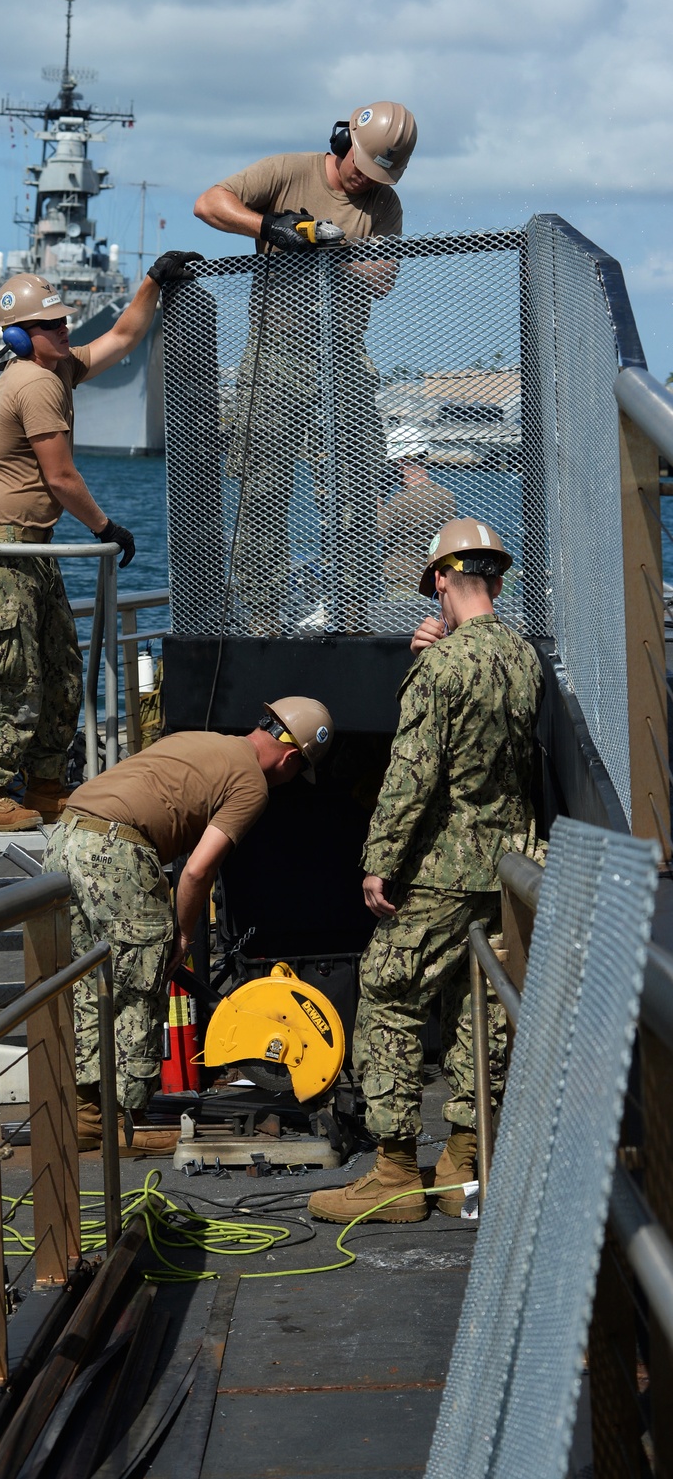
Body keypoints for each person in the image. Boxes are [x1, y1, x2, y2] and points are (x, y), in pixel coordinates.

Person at [308, 519, 543, 1225]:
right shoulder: (524, 656)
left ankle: (392, 1171)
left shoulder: (438, 668)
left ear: (441, 579)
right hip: (508, 862)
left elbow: (412, 777)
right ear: (495, 580)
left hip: (445, 863)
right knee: (479, 1002)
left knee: (388, 990)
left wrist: (379, 862)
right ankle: (465, 1157)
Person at [0, 254, 200, 832]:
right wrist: (106, 529)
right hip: (5, 553)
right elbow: (61, 476)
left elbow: (121, 336)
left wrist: (153, 281)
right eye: (54, 325)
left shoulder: (57, 369)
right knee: (10, 674)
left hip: (33, 550)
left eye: (66, 322)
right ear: (22, 335)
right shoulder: (34, 383)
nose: (68, 330)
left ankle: (45, 785)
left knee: (62, 669)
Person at [41, 696, 335, 1153]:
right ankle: (126, 1125)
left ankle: (87, 1115)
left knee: (92, 982)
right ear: (292, 757)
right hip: (114, 853)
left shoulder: (201, 741)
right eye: (297, 771)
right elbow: (198, 870)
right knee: (142, 985)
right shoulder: (251, 784)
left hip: (64, 836)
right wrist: (181, 934)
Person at [193, 104, 417, 633]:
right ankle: (264, 626)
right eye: (361, 165)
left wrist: (328, 243)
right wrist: (272, 226)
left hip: (345, 362)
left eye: (379, 173)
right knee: (262, 495)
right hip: (274, 359)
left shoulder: (385, 204)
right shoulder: (287, 171)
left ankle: (354, 622)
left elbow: (384, 278)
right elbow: (209, 204)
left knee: (355, 497)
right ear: (342, 140)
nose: (365, 179)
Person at [377, 427, 456, 596]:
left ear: (398, 463)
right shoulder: (447, 497)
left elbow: (375, 531)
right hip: (434, 579)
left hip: (403, 581)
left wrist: (378, 495)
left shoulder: (400, 501)